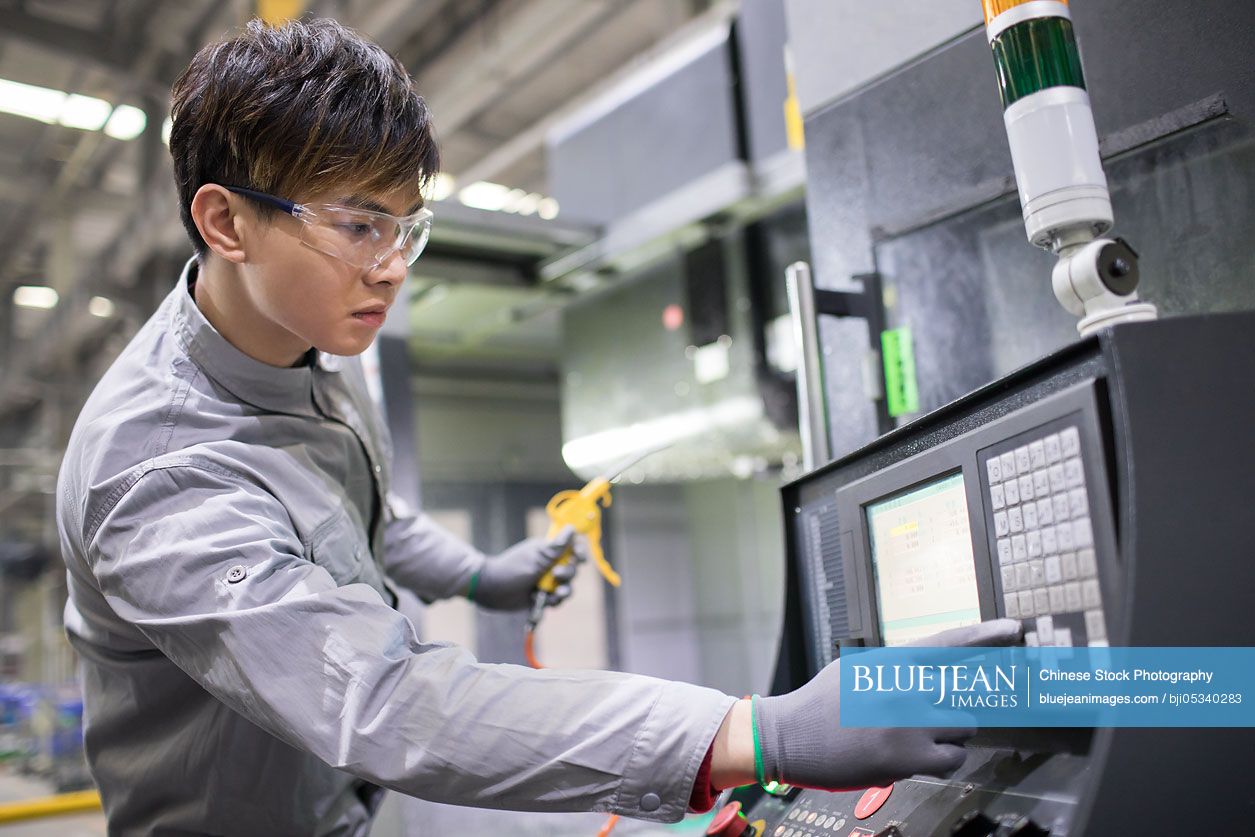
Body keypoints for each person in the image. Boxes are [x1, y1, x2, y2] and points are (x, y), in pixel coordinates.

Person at [56, 17, 1021, 835]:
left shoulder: (310, 344)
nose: (393, 266)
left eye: (407, 225)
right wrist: (745, 734)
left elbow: (362, 517)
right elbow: (380, 697)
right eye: (358, 225)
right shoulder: (157, 472)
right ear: (224, 222)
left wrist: (481, 573)